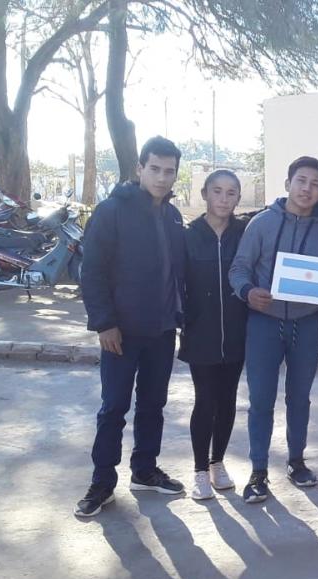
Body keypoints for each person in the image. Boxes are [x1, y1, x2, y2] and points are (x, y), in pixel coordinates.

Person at [229, 156, 318, 503]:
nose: (307, 189)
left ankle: (296, 461)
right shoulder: (262, 224)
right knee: (261, 400)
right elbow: (239, 268)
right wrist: (248, 292)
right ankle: (258, 471)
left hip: (306, 325)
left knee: (299, 397)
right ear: (288, 184)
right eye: (301, 181)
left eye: (315, 184)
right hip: (264, 324)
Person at [75, 136, 186, 518]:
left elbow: (178, 273)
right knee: (114, 408)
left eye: (169, 171)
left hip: (161, 331)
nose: (161, 177)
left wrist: (181, 317)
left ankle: (145, 470)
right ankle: (102, 482)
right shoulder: (111, 212)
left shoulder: (172, 216)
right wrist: (104, 323)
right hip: (120, 333)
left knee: (153, 405)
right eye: (154, 168)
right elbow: (91, 273)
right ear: (140, 168)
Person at [177, 170, 248, 501]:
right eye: (217, 191)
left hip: (236, 331)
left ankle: (218, 461)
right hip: (200, 332)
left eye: (231, 193)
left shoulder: (244, 232)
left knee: (228, 400)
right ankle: (200, 471)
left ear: (238, 197)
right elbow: (174, 282)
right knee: (205, 400)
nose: (224, 199)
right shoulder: (187, 235)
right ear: (204, 194)